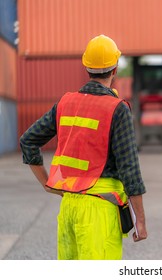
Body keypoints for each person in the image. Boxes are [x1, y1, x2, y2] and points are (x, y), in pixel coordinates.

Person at [19, 34, 147, 260]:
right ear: (115, 70)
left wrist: (47, 184)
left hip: (68, 208)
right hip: (100, 211)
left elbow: (28, 140)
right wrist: (141, 222)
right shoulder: (117, 109)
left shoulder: (65, 103)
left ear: (86, 66)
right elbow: (130, 169)